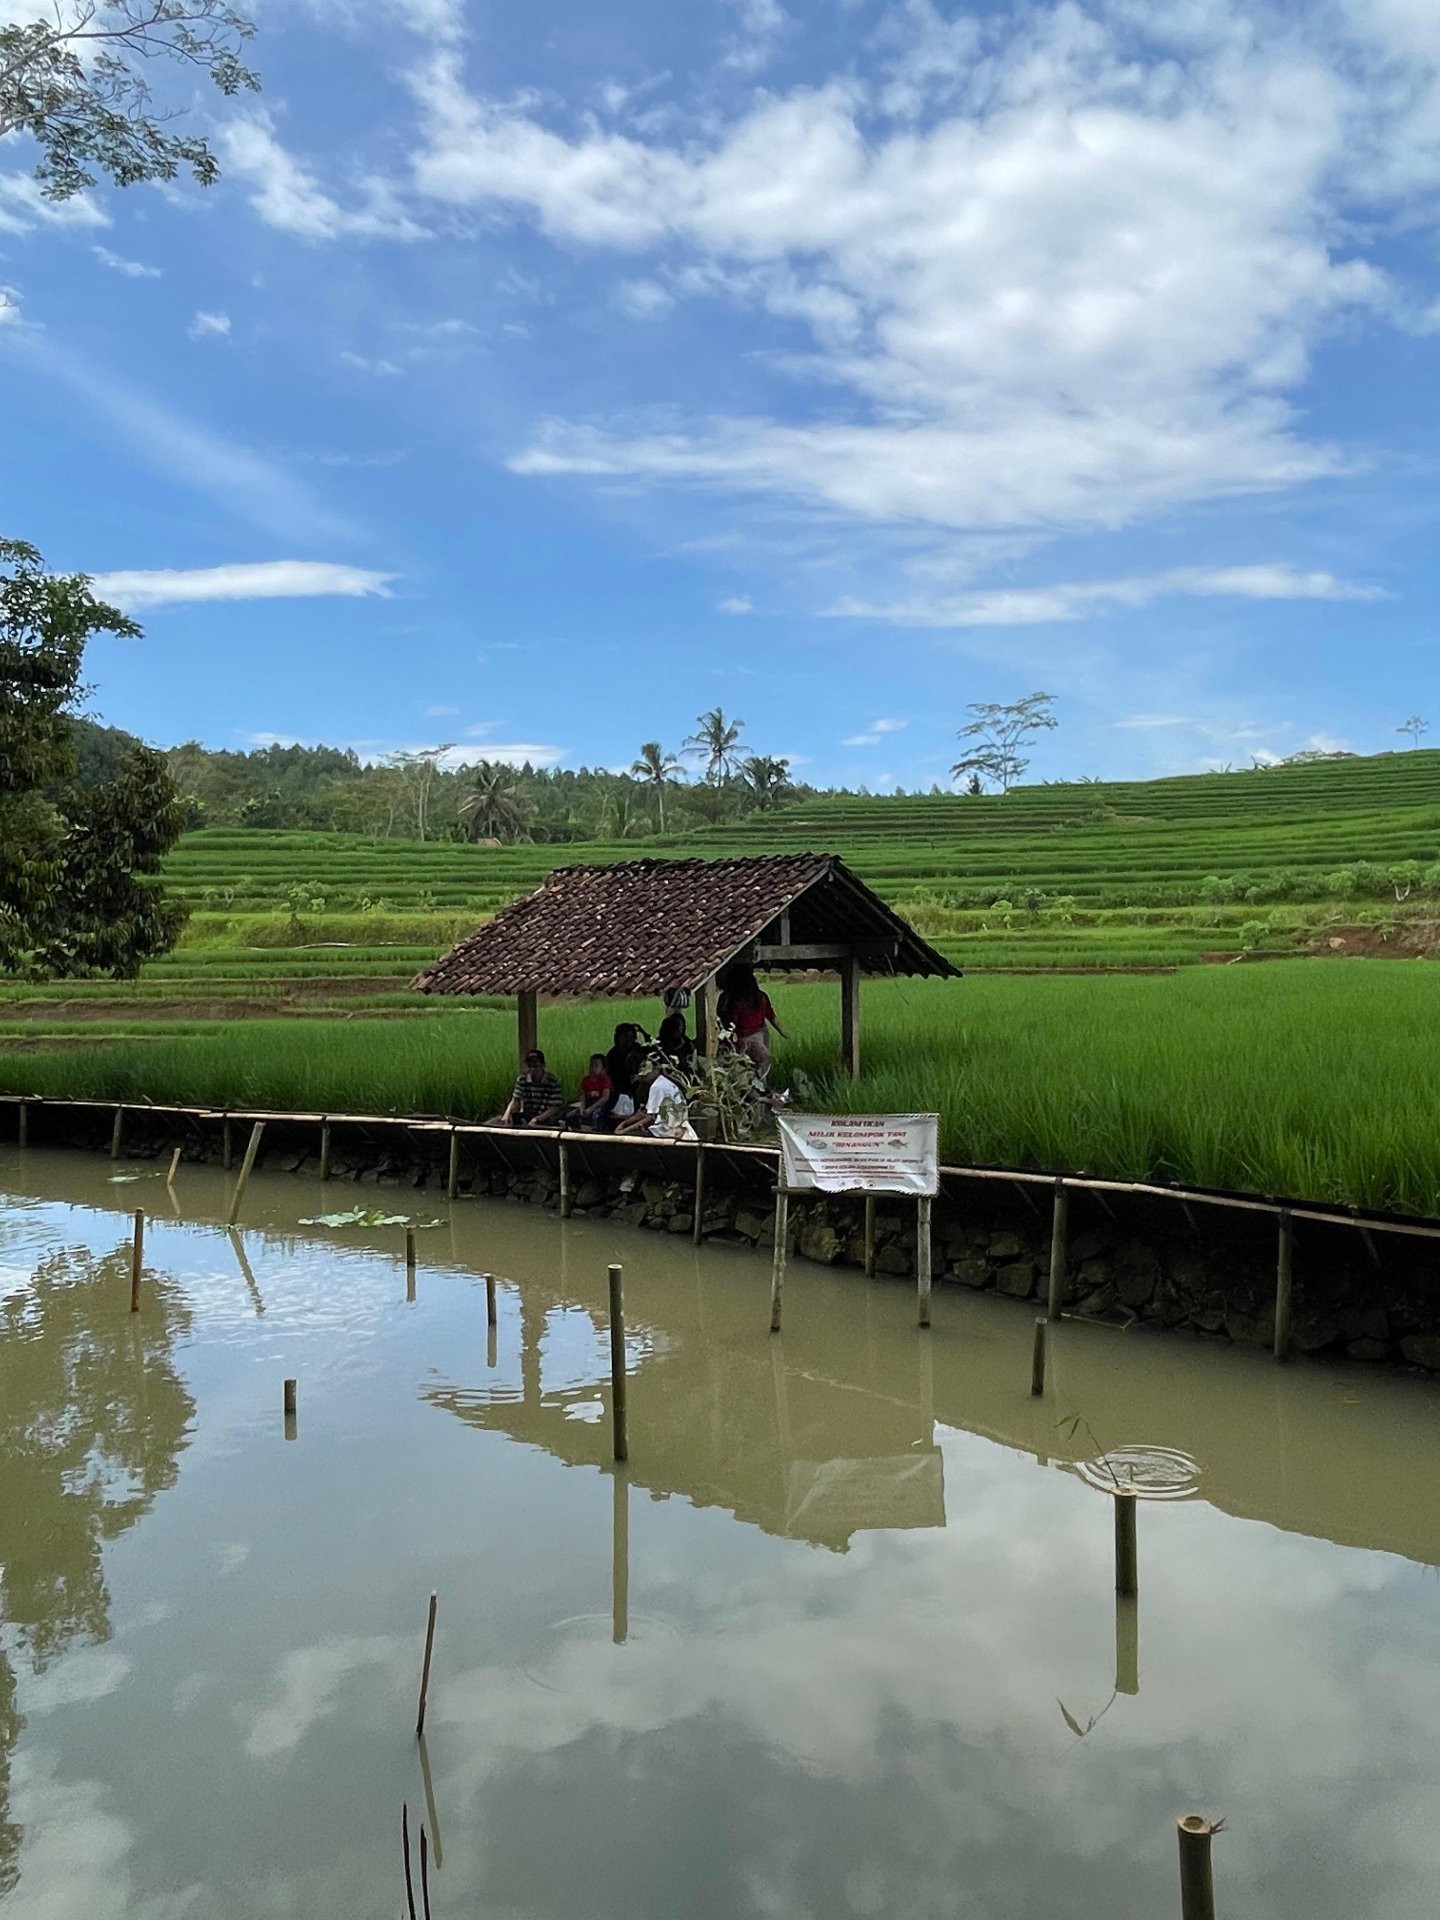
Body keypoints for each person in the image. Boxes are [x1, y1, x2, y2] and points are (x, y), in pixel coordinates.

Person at [717, 962, 786, 1074]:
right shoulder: (761, 997)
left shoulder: (732, 1000)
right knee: (761, 1069)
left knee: (742, 1070)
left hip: (739, 1040)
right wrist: (783, 1032)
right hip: (759, 1037)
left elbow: (729, 1022)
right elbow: (771, 1017)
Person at [616, 1054, 696, 1140]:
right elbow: (646, 1112)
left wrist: (625, 1131)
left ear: (657, 1070)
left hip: (668, 1131)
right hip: (672, 1128)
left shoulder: (658, 1087)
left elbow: (651, 1117)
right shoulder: (662, 1083)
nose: (645, 1077)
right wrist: (625, 1122)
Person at [492, 1049, 564, 1128]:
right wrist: (507, 1114)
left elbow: (554, 1108)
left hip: (546, 1118)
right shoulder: (522, 1079)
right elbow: (516, 1099)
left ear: (543, 1065)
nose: (533, 1069)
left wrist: (537, 1119)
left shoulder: (552, 1082)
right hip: (528, 1115)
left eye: (536, 1066)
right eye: (530, 1066)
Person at [601, 1021, 648, 1126]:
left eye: (630, 1037)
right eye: (625, 1037)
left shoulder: (637, 1049)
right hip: (618, 1085)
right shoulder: (613, 1053)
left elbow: (651, 1047)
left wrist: (643, 1032)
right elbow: (609, 1074)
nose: (628, 1040)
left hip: (635, 1086)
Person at [568, 1053, 612, 1131]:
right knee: (571, 1115)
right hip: (587, 1105)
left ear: (602, 1068)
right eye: (591, 1065)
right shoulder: (586, 1080)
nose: (592, 1068)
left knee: (596, 1116)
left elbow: (605, 1097)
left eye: (596, 1066)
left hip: (599, 1106)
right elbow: (583, 1095)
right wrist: (582, 1108)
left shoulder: (605, 1081)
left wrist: (591, 1109)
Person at [657, 1009, 695, 1077]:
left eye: (680, 1027)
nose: (678, 1029)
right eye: (676, 1027)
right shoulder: (661, 1042)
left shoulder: (687, 1043)